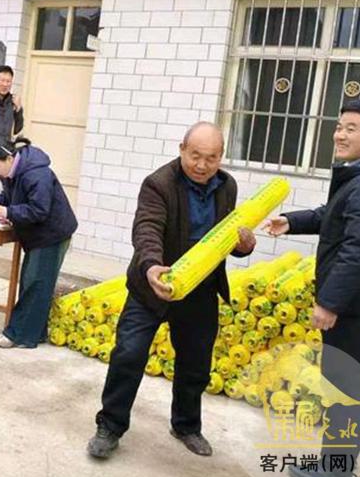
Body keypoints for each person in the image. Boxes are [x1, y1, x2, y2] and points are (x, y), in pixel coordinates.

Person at [264, 99, 360, 477]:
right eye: (339, 126)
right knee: (344, 384)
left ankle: (337, 474)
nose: (340, 135)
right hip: (357, 304)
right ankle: (336, 466)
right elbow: (334, 215)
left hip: (357, 308)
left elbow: (358, 251)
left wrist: (330, 302)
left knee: (347, 389)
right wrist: (292, 221)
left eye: (351, 128)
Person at [87, 122, 255, 459]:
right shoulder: (159, 183)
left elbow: (226, 237)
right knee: (128, 355)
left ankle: (187, 425)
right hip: (153, 285)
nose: (202, 165)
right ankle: (110, 426)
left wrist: (244, 246)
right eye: (195, 156)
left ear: (221, 157)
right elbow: (147, 228)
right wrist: (151, 266)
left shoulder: (227, 187)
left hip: (200, 289)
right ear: (182, 150)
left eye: (211, 158)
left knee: (196, 363)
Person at [0, 135, 78, 349]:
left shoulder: (36, 174)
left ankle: (17, 335)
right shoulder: (13, 172)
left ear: (8, 159)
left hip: (51, 234)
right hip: (39, 235)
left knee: (36, 284)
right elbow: (8, 197)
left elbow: (39, 210)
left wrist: (9, 212)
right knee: (34, 283)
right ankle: (35, 334)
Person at [0, 65, 23, 140]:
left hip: (6, 145)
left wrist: (18, 108)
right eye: (2, 80)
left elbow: (17, 129)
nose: (5, 84)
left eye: (8, 81)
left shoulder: (12, 101)